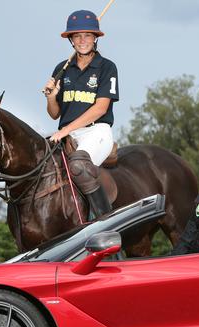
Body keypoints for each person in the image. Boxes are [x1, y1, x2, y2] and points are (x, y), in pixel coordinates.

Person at [43, 9, 119, 218]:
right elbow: (54, 113)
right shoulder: (62, 68)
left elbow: (100, 108)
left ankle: (105, 223)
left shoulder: (106, 67)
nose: (82, 40)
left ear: (95, 38)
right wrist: (51, 97)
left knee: (78, 167)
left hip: (97, 132)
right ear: (71, 40)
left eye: (87, 35)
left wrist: (65, 130)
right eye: (77, 36)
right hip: (67, 134)